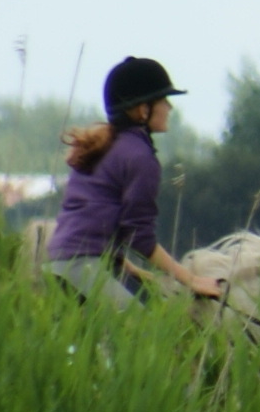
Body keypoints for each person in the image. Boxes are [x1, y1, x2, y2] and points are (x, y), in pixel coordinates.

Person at [47, 56, 224, 307]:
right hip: (85, 266)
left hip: (61, 263)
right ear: (143, 109)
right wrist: (191, 280)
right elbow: (139, 236)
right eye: (163, 100)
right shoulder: (140, 157)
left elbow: (95, 223)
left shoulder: (104, 145)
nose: (169, 108)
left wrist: (131, 269)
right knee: (151, 336)